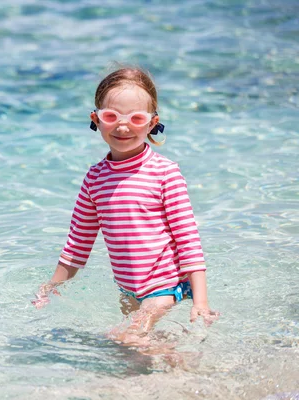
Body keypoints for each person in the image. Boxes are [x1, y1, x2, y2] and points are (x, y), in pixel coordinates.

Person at [33, 66, 219, 345]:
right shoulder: (95, 178)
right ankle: (179, 370)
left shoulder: (164, 173)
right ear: (95, 119)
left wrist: (200, 301)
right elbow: (77, 245)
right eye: (111, 116)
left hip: (166, 286)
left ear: (152, 123)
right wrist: (51, 287)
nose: (123, 126)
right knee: (134, 351)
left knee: (125, 337)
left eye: (136, 118)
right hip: (128, 289)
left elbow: (188, 239)